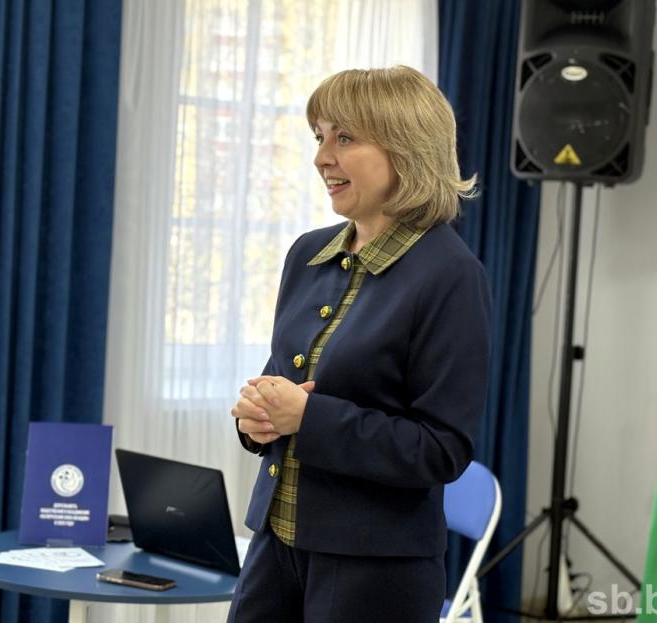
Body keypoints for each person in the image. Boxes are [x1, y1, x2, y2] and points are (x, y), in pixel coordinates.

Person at [227, 65, 491, 623]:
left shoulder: (451, 275)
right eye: (319, 136)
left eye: (344, 138)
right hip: (276, 545)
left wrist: (308, 418)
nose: (322, 157)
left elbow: (441, 449)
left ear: (407, 148)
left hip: (377, 570)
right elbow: (283, 384)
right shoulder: (308, 253)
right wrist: (258, 418)